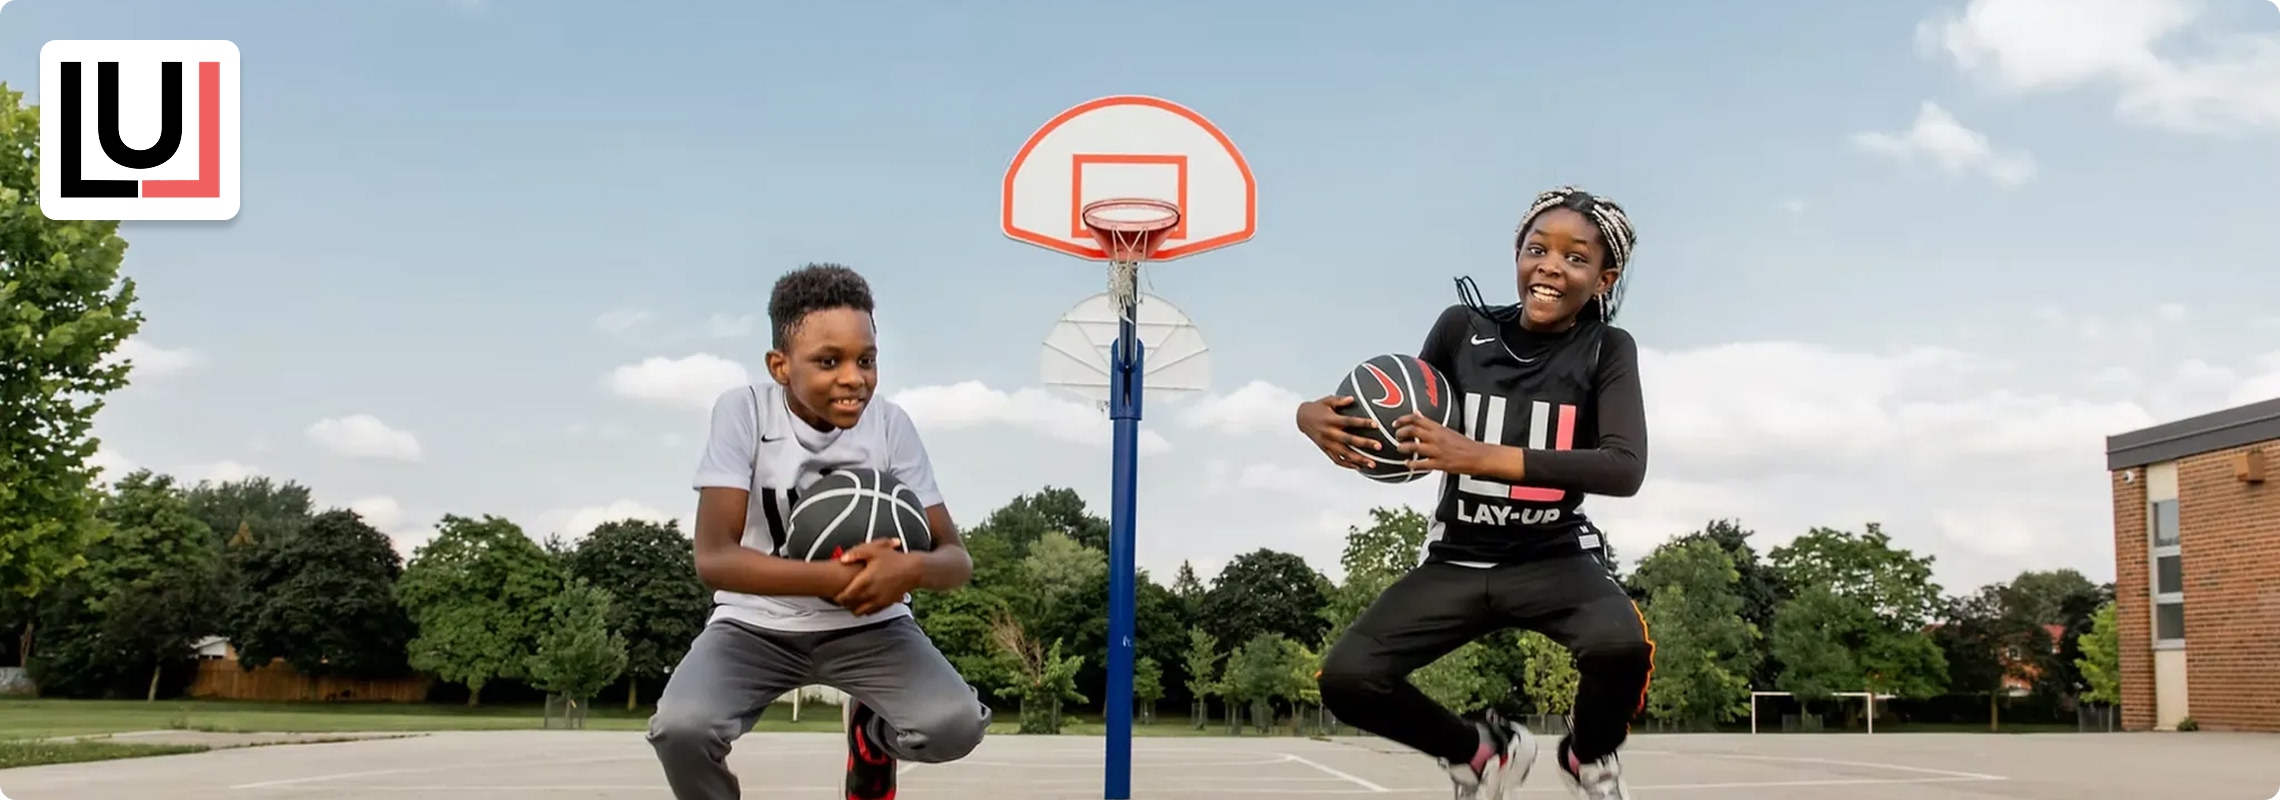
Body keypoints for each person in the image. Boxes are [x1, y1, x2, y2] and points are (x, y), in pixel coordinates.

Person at [1298, 187, 1655, 800]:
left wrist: (1482, 456)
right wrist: (1312, 417)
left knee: (1621, 646)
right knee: (1348, 680)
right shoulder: (1461, 328)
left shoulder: (1606, 349)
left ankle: (1587, 757)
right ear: (1517, 255)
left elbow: (1624, 468)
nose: (1550, 265)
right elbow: (1401, 409)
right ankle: (1481, 752)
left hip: (1552, 556)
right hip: (1457, 557)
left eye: (1575, 258)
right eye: (1537, 249)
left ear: (1603, 278)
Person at [648, 262, 992, 800]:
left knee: (955, 726)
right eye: (829, 361)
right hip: (753, 625)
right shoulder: (744, 413)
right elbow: (714, 557)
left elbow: (956, 560)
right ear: (780, 365)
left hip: (871, 628)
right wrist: (832, 578)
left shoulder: (891, 425)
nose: (854, 377)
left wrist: (912, 567)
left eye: (867, 360)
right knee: (681, 729)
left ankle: (872, 736)